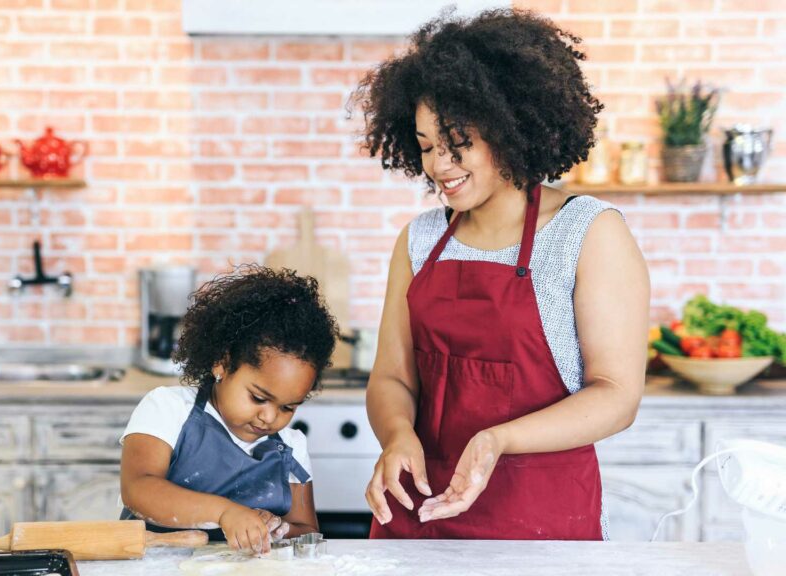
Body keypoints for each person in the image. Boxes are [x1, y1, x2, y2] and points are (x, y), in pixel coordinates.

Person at [350, 8, 650, 540]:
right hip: (417, 515)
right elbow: (392, 377)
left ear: (511, 127)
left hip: (538, 520)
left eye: (458, 142)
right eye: (425, 146)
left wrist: (497, 440)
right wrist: (397, 435)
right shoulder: (420, 241)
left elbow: (616, 395)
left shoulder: (587, 233)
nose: (440, 165)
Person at [119, 265, 338, 552]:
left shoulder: (290, 449)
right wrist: (224, 512)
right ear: (222, 363)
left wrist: (273, 527)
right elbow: (138, 489)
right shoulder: (168, 409)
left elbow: (306, 531)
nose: (269, 417)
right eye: (258, 398)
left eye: (288, 407)